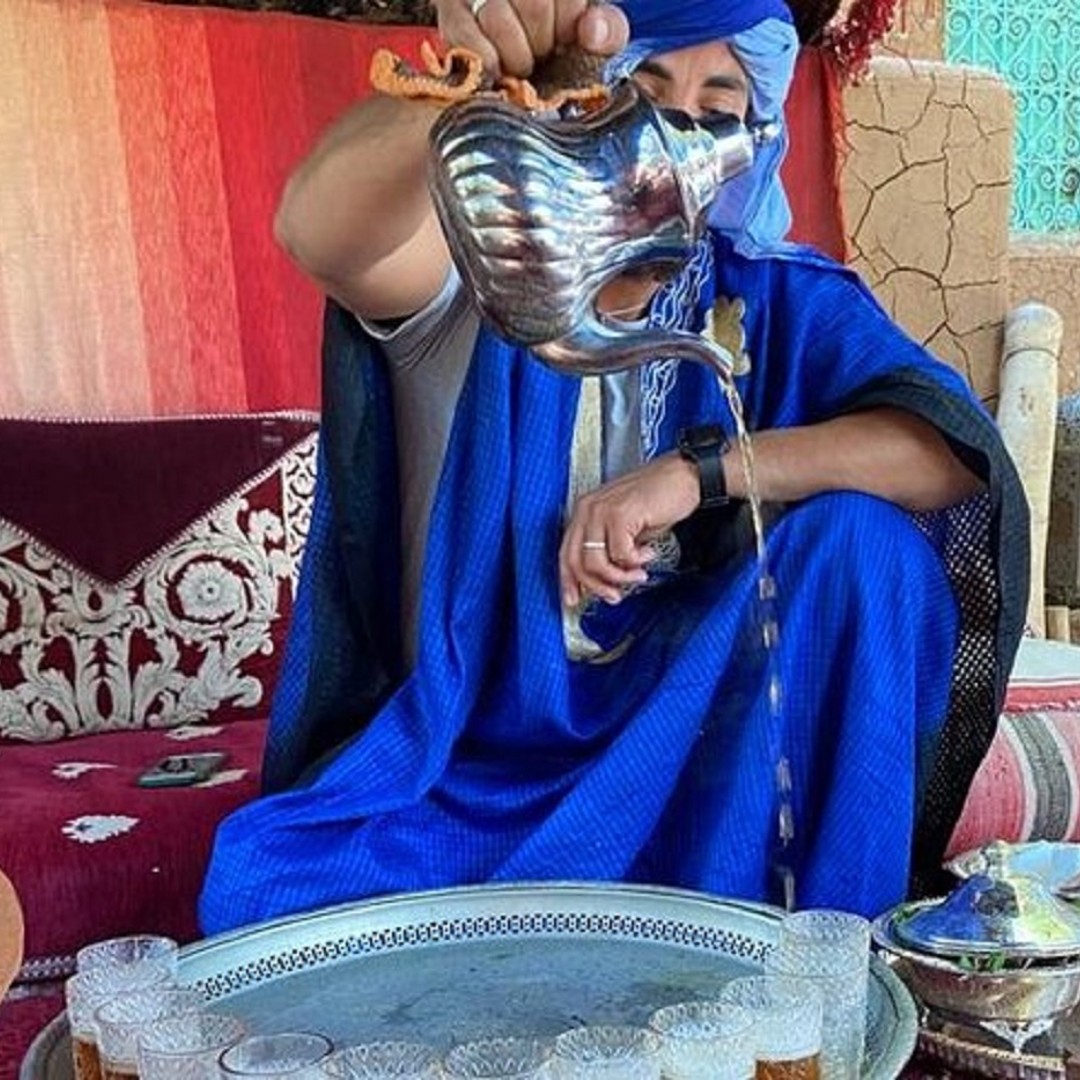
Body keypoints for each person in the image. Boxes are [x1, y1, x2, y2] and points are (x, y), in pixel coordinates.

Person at [199, 0, 1027, 933]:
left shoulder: (772, 296)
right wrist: (467, 93)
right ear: (585, 112)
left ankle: (824, 958)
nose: (670, 139)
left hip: (701, 767)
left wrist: (698, 473)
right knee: (266, 891)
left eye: (715, 110)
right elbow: (319, 232)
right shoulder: (488, 279)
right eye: (645, 95)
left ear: (747, 143)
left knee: (866, 547)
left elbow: (951, 455)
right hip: (490, 776)